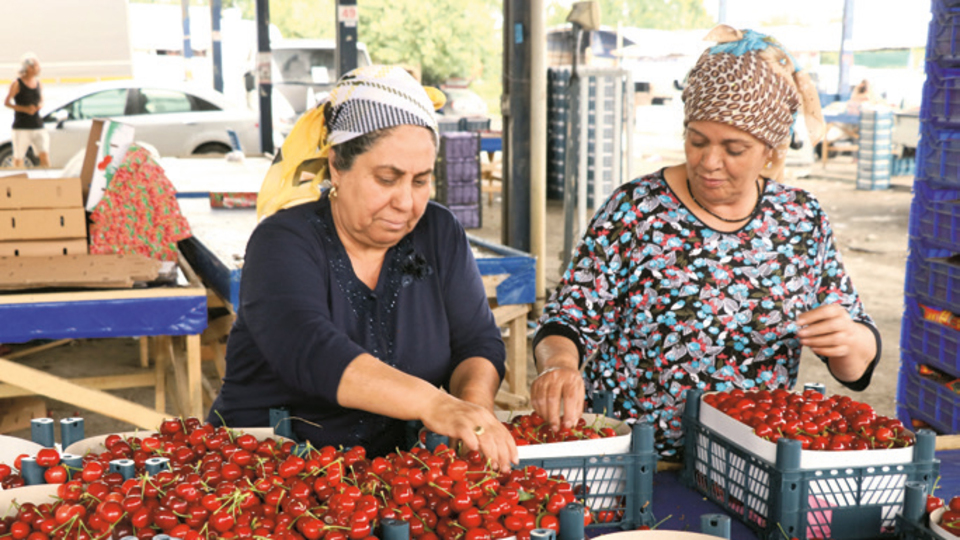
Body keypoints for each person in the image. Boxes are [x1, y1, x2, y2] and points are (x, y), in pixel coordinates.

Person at [530, 26, 880, 460]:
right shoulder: (636, 209)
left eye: (734, 148)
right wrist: (559, 366)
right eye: (697, 141)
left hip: (749, 461)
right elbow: (568, 319)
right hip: (635, 460)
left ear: (770, 149)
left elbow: (857, 358)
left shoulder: (799, 219)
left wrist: (849, 342)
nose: (710, 162)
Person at [209, 66, 517, 470]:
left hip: (388, 484)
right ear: (337, 166)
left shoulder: (438, 233)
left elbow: (477, 342)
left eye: (421, 181)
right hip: (263, 480)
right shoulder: (282, 242)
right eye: (387, 179)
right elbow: (311, 350)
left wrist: (472, 414)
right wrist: (434, 403)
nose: (406, 202)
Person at [4, 53, 50, 168]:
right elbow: (7, 103)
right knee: (19, 157)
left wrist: (39, 106)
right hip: (22, 126)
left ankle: (46, 179)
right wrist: (24, 109)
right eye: (37, 66)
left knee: (44, 154)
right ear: (30, 68)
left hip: (37, 125)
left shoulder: (38, 83)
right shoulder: (17, 83)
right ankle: (18, 180)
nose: (39, 69)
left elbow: (42, 99)